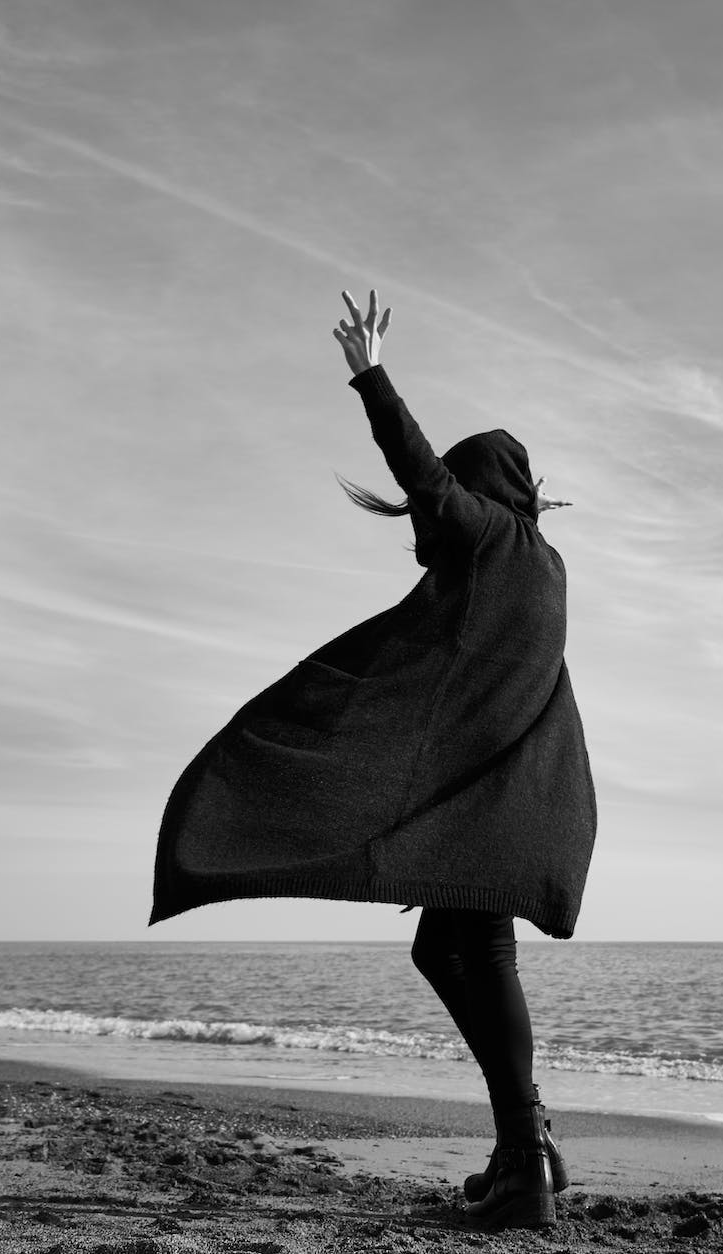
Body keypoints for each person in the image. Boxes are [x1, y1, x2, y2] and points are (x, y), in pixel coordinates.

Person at [149, 290, 599, 1230]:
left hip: (501, 802)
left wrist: (371, 374)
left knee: (469, 948)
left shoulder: (495, 541)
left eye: (465, 495)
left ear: (489, 492)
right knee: (448, 946)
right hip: (515, 799)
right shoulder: (535, 567)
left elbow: (426, 477)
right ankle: (528, 1145)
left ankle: (525, 1160)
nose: (440, 515)